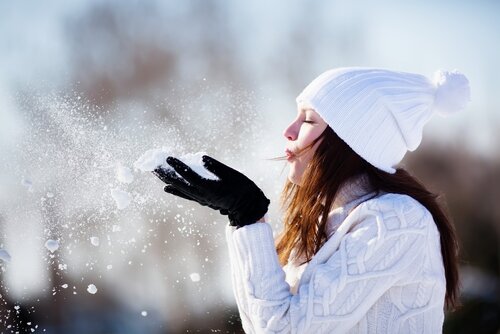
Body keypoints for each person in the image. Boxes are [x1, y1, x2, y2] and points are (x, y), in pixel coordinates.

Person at [153, 67, 471, 333]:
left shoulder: (395, 221)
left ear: (349, 139)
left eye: (308, 120)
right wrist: (241, 219)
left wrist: (248, 216)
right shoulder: (326, 221)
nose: (288, 131)